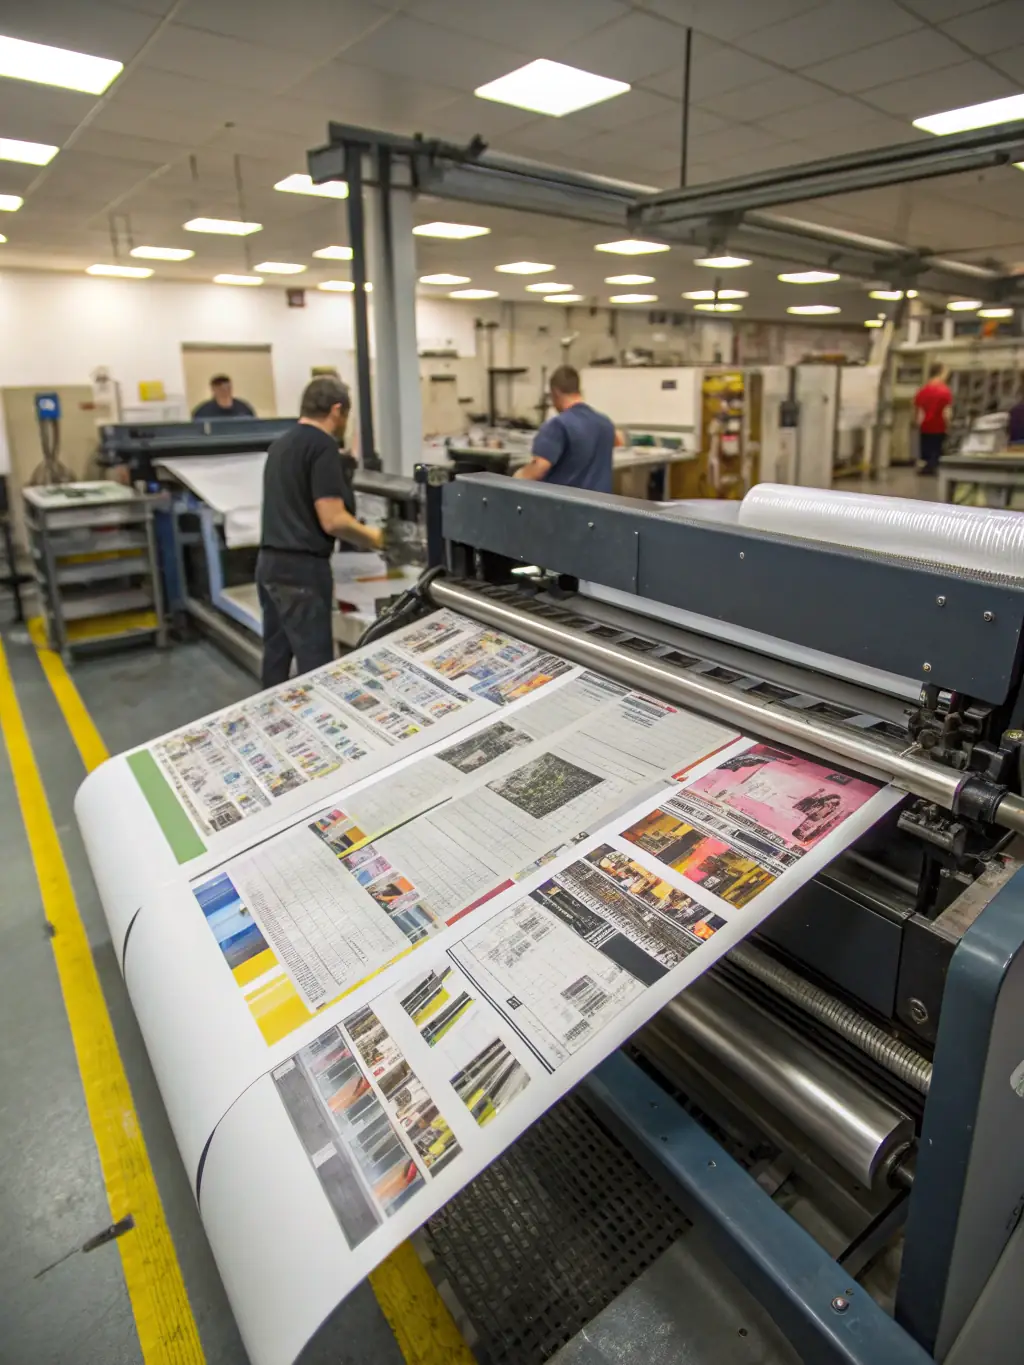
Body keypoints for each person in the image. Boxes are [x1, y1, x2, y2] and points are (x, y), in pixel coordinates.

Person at [256, 375, 382, 687]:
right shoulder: (322, 446)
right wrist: (379, 538)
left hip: (269, 564)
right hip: (302, 573)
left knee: (276, 655)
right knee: (316, 664)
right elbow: (333, 520)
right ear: (337, 410)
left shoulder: (279, 445)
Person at [514, 365, 614, 492]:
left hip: (567, 509)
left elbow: (538, 469)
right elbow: (618, 441)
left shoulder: (558, 426)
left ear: (555, 393)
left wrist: (515, 478)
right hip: (602, 508)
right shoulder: (605, 423)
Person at [913, 362, 953, 475]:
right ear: (941, 372)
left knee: (925, 452)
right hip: (939, 427)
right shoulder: (945, 391)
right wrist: (948, 426)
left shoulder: (922, 390)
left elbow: (918, 413)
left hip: (925, 427)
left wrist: (918, 425)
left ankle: (926, 468)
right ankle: (933, 468)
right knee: (936, 454)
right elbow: (947, 413)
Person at [192, 374, 256, 419]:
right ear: (213, 390)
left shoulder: (243, 408)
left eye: (228, 388)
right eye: (221, 389)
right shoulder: (203, 412)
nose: (225, 391)